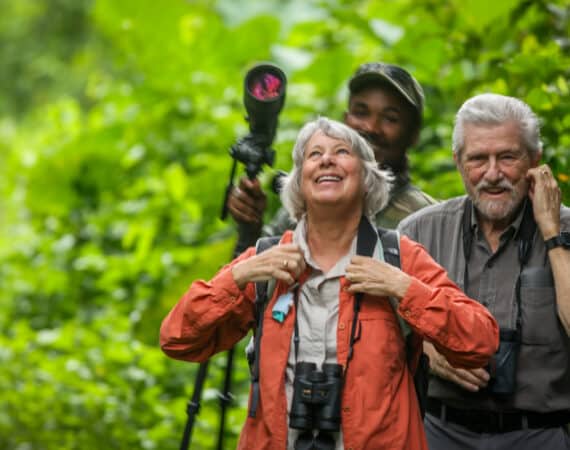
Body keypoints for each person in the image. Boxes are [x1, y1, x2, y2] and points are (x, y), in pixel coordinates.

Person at [160, 117, 498, 450]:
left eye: (341, 152)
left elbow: (479, 341)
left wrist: (403, 288)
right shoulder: (266, 260)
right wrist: (237, 276)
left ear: (367, 178)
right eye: (314, 154)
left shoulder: (396, 256)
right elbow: (178, 339)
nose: (326, 160)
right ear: (298, 182)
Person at [398, 93, 570, 449]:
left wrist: (552, 235)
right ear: (458, 162)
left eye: (507, 157)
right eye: (478, 158)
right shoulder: (419, 232)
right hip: (442, 430)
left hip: (541, 433)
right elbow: (377, 331)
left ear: (534, 160)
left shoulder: (564, 229)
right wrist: (430, 349)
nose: (493, 174)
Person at [228, 62, 437, 253]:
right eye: (361, 112)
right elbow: (252, 285)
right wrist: (250, 228)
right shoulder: (311, 201)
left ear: (413, 135)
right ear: (346, 121)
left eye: (390, 118)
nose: (371, 127)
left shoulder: (428, 219)